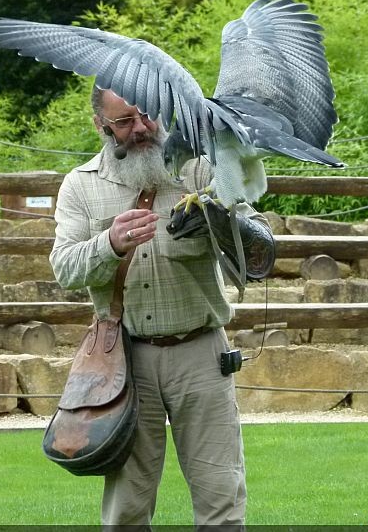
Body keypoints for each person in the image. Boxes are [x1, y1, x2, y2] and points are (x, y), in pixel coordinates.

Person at [49, 84, 274, 527]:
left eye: (148, 115)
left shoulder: (200, 168)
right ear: (100, 126)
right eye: (124, 121)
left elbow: (261, 252)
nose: (141, 128)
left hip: (201, 353)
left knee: (220, 495)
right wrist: (109, 244)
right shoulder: (80, 185)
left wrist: (221, 223)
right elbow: (64, 270)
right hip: (123, 361)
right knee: (127, 505)